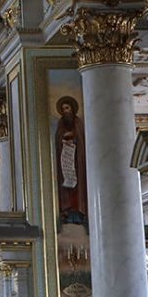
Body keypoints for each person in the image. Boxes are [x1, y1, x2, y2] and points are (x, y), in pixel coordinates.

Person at [55, 95, 87, 225]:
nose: (65, 111)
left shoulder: (78, 122)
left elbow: (81, 139)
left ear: (72, 108)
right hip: (65, 160)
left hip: (77, 160)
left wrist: (74, 139)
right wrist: (63, 139)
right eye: (63, 109)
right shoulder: (61, 123)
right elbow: (58, 139)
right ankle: (66, 211)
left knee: (78, 187)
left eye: (67, 108)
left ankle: (80, 212)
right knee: (66, 187)